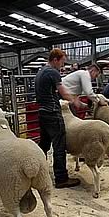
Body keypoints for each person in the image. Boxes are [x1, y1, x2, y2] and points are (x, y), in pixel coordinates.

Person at [35, 48, 82, 189]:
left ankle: (37, 170)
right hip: (53, 112)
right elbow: (63, 92)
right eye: (62, 62)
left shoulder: (40, 72)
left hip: (42, 112)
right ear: (55, 59)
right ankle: (61, 178)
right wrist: (75, 101)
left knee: (44, 144)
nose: (62, 65)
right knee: (59, 145)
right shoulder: (52, 72)